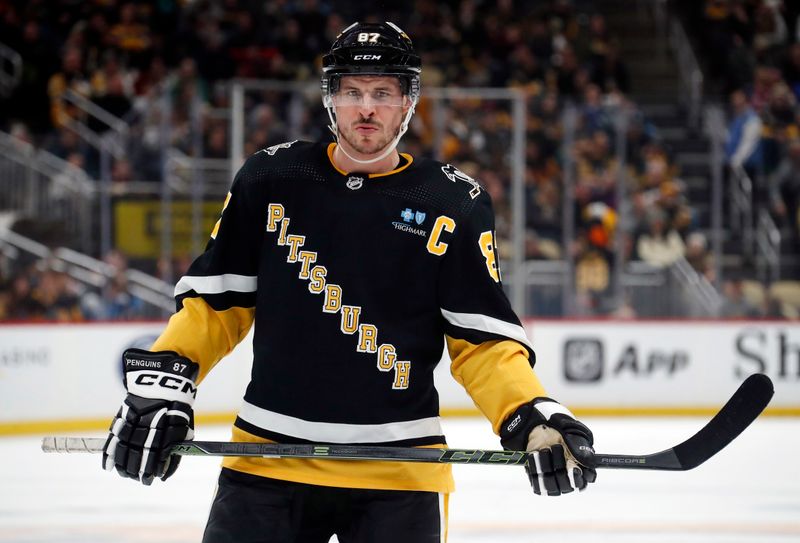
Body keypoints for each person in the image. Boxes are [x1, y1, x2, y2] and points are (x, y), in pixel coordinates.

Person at [101, 22, 597, 542]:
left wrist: (529, 414)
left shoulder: (453, 202)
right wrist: (166, 381)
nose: (366, 109)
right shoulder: (271, 179)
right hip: (268, 461)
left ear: (408, 103)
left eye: (383, 93)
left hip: (400, 472)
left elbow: (482, 343)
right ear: (330, 98)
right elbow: (216, 305)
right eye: (352, 91)